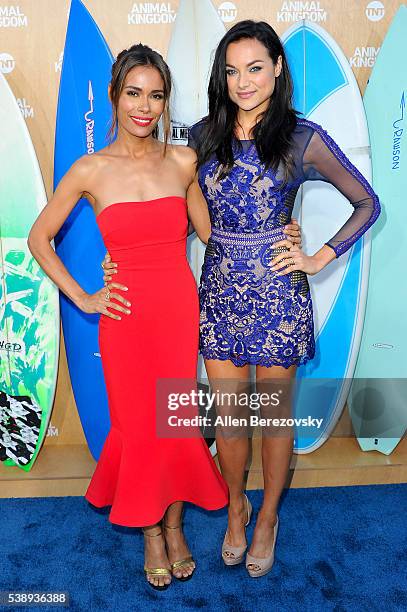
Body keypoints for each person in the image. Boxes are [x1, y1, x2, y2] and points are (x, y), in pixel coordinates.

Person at [102, 20, 381, 579]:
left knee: (274, 421)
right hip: (221, 294)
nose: (243, 81)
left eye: (255, 68)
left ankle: (269, 516)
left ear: (278, 68)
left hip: (279, 294)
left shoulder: (303, 137)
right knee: (230, 420)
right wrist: (125, 258)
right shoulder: (203, 137)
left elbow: (366, 203)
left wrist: (318, 256)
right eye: (231, 71)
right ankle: (236, 505)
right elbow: (170, 205)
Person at [27, 43, 232, 591]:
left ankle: (175, 522)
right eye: (134, 93)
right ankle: (151, 535)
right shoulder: (91, 168)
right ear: (116, 96)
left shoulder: (184, 161)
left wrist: (282, 229)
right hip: (125, 317)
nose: (145, 106)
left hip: (176, 309)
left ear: (166, 102)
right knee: (140, 426)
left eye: (157, 95)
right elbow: (38, 238)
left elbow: (212, 234)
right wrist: (85, 297)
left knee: (176, 419)